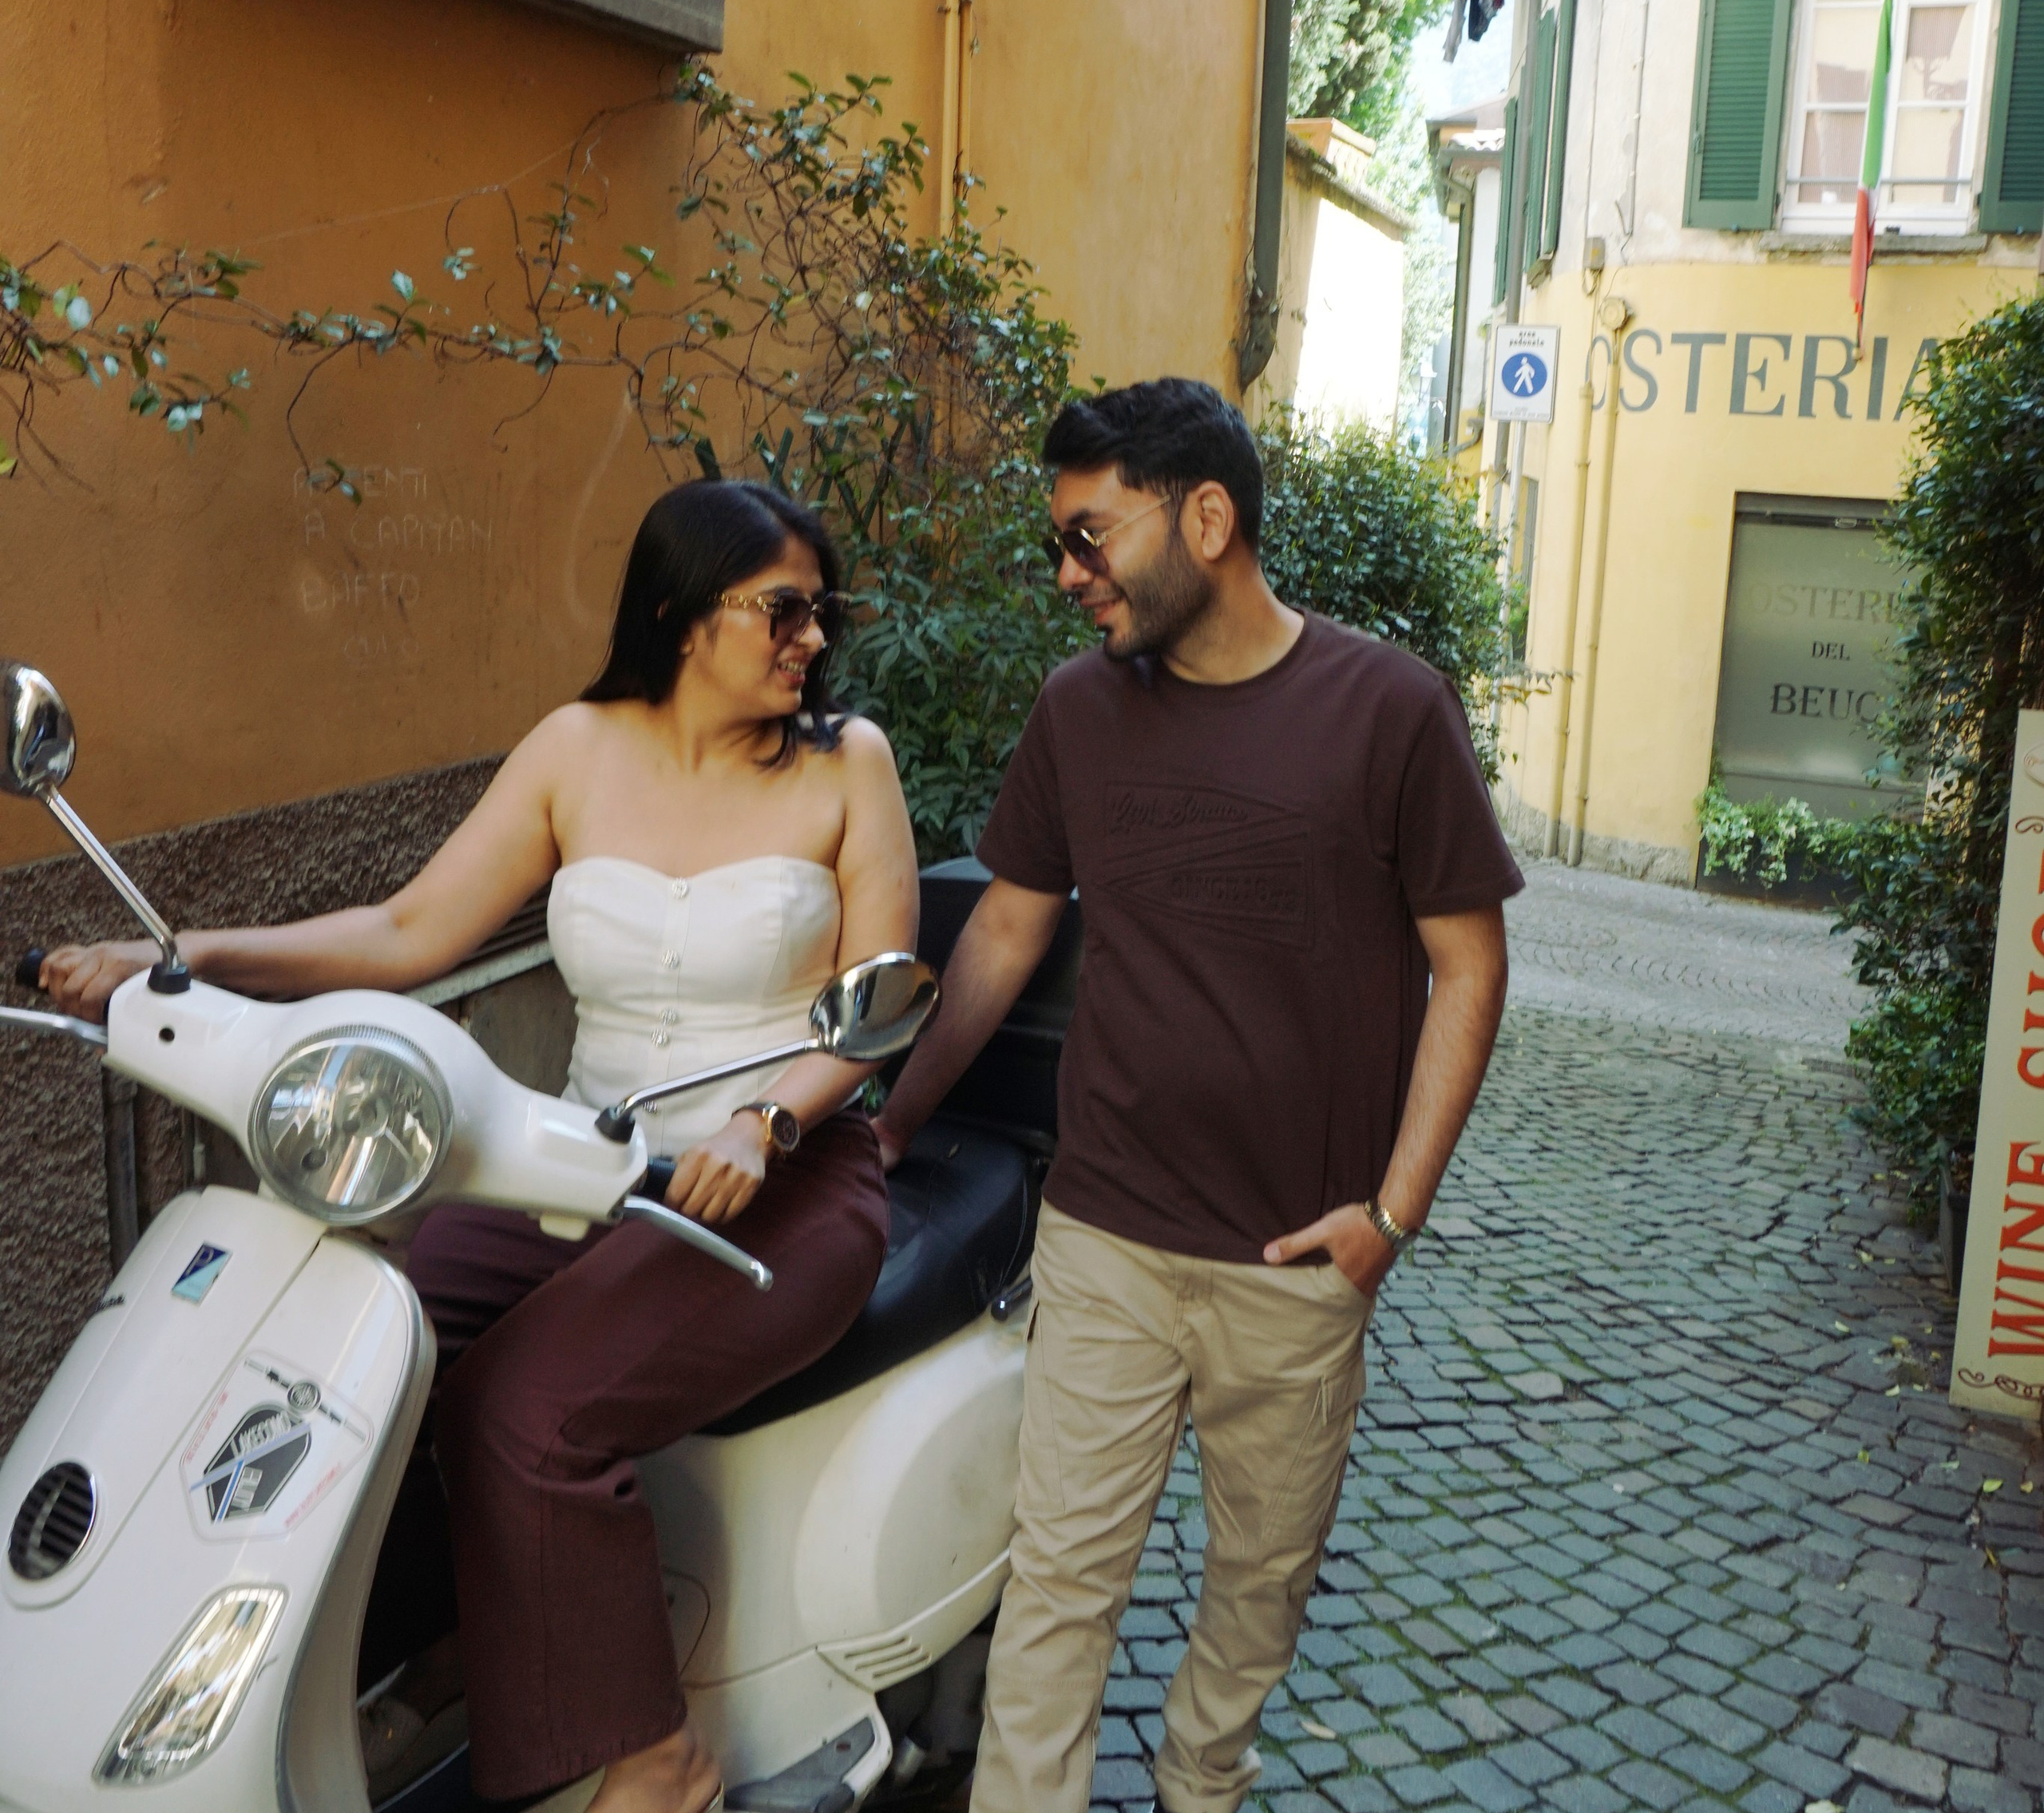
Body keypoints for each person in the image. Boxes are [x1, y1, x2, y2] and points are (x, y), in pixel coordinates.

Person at [43, 479, 920, 1813]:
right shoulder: (576, 748)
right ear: (683, 613)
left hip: (785, 1183)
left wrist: (767, 1119)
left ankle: (657, 1761)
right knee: (348, 1340)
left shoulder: (847, 762)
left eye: (821, 612)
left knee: (522, 1409)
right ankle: (406, 1656)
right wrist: (182, 957)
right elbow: (411, 932)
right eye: (785, 609)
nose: (815, 638)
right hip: (579, 1161)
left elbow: (881, 1001)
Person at [872, 379, 1520, 1813]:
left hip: (1296, 1258)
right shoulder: (1079, 711)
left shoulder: (1390, 711)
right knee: (1056, 1586)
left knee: (1259, 1586)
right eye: (1060, 542)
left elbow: (1469, 966)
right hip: (1106, 1231)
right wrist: (899, 1117)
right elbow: (1008, 926)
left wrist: (1388, 1219)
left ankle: (1202, 1774)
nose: (1068, 573)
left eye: (1090, 535)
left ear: (1207, 518)